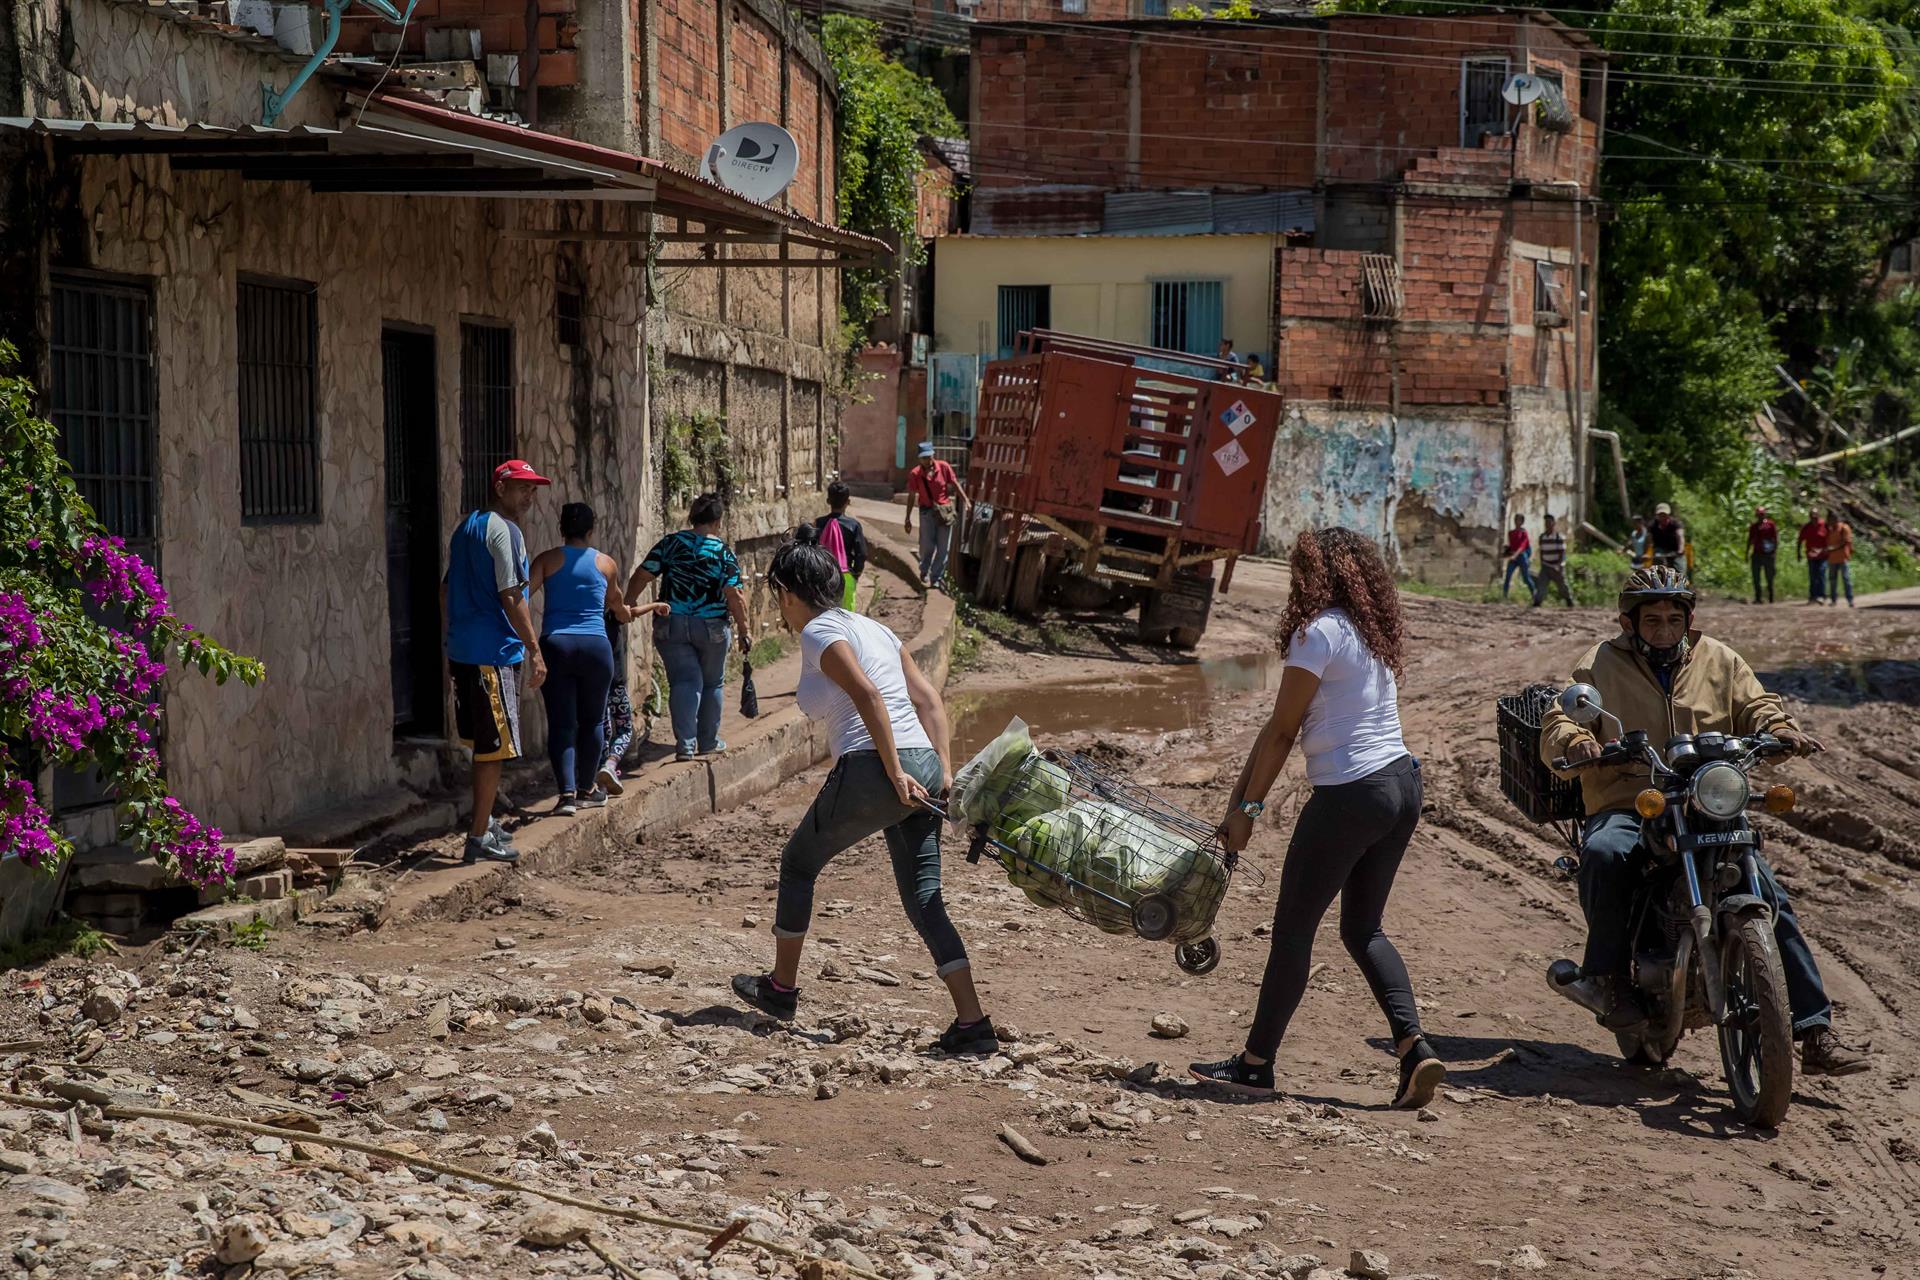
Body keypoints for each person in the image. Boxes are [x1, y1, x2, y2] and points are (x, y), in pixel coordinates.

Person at [1538, 566, 1870, 1077]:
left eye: (1675, 618)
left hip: (1706, 797)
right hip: (1634, 796)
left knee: (1770, 894)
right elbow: (1562, 716)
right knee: (1605, 854)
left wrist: (1778, 727)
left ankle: (1814, 1030)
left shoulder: (1720, 658)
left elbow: (1758, 703)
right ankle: (1607, 979)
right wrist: (1579, 741)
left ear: (1689, 619)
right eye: (1653, 620)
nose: (1665, 629)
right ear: (1630, 623)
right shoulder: (1601, 663)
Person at [1188, 528, 1445, 1108]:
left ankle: (1255, 1065)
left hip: (1352, 796)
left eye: (1298, 572)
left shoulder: (1317, 630)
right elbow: (1277, 726)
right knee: (1363, 929)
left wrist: (1249, 812)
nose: (1292, 583)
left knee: (1294, 930)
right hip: (1402, 786)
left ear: (1317, 576)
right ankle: (1413, 1049)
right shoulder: (1364, 632)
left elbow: (1283, 733)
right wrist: (1237, 802)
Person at [731, 525, 995, 1054]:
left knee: (799, 864)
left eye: (777, 597)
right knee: (925, 900)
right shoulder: (875, 629)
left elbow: (869, 696)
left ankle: (781, 989)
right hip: (920, 758)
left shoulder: (818, 633)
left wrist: (895, 771)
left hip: (876, 765)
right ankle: (972, 1024)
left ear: (786, 593)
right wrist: (942, 770)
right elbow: (929, 703)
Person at [442, 459, 550, 865]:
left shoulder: (466, 527)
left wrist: (453, 636)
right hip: (493, 654)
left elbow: (446, 587)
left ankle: (485, 823)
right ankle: (476, 837)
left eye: (532, 489)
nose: (529, 496)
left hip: (466, 650)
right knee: (493, 750)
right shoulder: (505, 532)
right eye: (523, 488)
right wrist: (534, 649)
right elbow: (511, 595)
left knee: (484, 746)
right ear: (500, 488)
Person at [530, 503, 662, 816]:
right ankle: (587, 788)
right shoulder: (605, 564)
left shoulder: (547, 560)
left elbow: (521, 595)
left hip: (556, 645)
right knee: (591, 721)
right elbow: (618, 607)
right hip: (595, 648)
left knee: (562, 723)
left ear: (561, 528)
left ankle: (565, 796)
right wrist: (628, 611)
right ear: (592, 530)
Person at [627, 493, 751, 762]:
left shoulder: (671, 543)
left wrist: (627, 604)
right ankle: (707, 742)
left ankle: (685, 746)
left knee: (683, 680)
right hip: (712, 627)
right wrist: (744, 629)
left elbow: (643, 574)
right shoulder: (722, 552)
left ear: (693, 517)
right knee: (712, 683)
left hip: (671, 624)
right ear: (718, 521)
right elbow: (734, 595)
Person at [904, 443, 969, 592]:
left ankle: (936, 578)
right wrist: (907, 518)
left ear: (933, 455)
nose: (928, 460)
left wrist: (966, 500)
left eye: (929, 456)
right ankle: (924, 569)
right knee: (927, 546)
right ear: (920, 459)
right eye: (924, 458)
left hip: (944, 513)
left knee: (943, 548)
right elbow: (912, 496)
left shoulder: (944, 467)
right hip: (926, 513)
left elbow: (955, 484)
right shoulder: (915, 474)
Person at [597, 608, 636, 795]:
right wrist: (655, 606)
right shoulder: (613, 613)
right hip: (616, 684)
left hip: (596, 684)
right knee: (625, 729)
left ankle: (598, 776)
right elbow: (631, 612)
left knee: (600, 729)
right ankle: (610, 764)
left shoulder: (589, 619)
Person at [815, 480, 869, 611]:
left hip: (824, 576)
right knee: (847, 615)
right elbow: (861, 554)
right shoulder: (853, 525)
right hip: (846, 575)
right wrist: (855, 574)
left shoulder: (819, 524)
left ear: (828, 501)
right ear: (848, 502)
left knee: (826, 614)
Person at [1531, 513, 1575, 607]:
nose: (1547, 524)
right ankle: (1537, 602)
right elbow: (1542, 551)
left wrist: (1558, 565)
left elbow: (1561, 553)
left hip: (1557, 566)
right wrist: (1542, 562)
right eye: (1546, 522)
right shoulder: (1542, 537)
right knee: (1541, 585)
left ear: (1553, 524)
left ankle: (1569, 601)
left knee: (1562, 585)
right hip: (1546, 565)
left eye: (1549, 522)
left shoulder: (1559, 538)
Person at [1746, 505, 1779, 604]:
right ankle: (1758, 597)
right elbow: (1750, 540)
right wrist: (1747, 553)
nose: (1760, 516)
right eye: (1758, 514)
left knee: (1769, 577)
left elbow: (1775, 539)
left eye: (1762, 514)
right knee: (1756, 577)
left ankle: (1771, 597)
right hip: (1756, 554)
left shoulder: (1770, 525)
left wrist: (1774, 552)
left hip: (1768, 555)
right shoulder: (1754, 527)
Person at [1796, 511, 1830, 605]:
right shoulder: (1806, 527)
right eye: (1812, 516)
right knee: (1812, 575)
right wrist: (1798, 554)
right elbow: (1800, 541)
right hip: (1811, 555)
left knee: (1821, 573)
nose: (1814, 518)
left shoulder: (1824, 525)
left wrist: (1827, 550)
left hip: (1823, 555)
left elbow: (1830, 538)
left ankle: (1822, 596)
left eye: (1815, 516)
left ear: (1818, 516)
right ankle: (1812, 596)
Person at [1825, 508, 1855, 608]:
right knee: (1832, 580)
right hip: (1832, 559)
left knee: (1846, 579)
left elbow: (1845, 542)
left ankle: (1850, 600)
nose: (1831, 521)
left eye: (1833, 519)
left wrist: (1832, 548)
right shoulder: (1829, 530)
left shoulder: (1844, 528)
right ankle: (1833, 600)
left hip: (1842, 558)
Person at [1501, 513, 1535, 602]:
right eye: (1515, 519)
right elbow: (1512, 546)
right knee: (1508, 576)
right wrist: (1507, 552)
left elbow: (1522, 546)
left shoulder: (1524, 533)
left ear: (1522, 522)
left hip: (1522, 557)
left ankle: (1535, 596)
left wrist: (1515, 555)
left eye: (1519, 520)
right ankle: (1504, 597)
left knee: (1526, 578)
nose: (1516, 521)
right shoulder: (1511, 533)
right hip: (1514, 557)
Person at [1647, 503, 1685, 572]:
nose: (1662, 517)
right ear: (1657, 516)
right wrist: (1649, 551)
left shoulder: (1676, 523)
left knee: (1679, 570)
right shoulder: (1652, 525)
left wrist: (1680, 549)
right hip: (1660, 550)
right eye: (1660, 515)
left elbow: (1680, 536)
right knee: (1657, 569)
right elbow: (1649, 540)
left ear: (1668, 515)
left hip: (1675, 550)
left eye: (1664, 515)